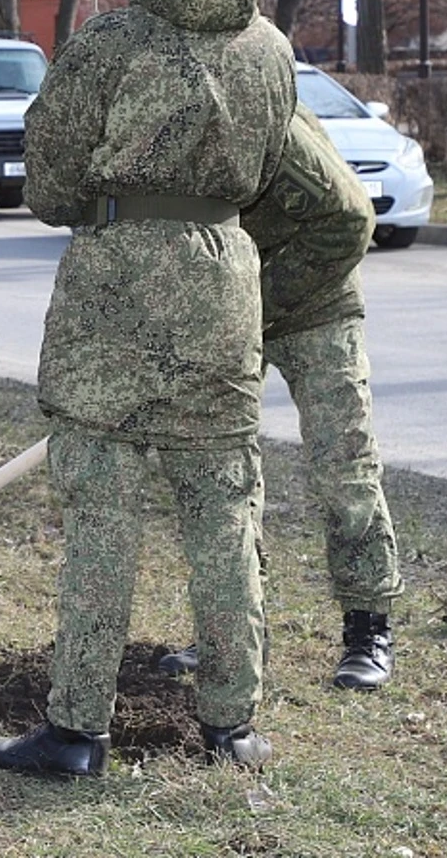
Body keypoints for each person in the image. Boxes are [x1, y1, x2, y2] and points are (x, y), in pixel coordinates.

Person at [0, 0, 296, 777]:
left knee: (103, 521)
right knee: (225, 515)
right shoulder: (271, 49)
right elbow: (270, 173)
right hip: (224, 287)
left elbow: (50, 186)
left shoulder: (109, 47)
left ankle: (78, 731)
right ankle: (234, 728)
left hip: (113, 294)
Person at [155, 106, 403, 691]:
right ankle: (235, 627)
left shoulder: (265, 126)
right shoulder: (166, 132)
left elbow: (350, 222)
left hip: (318, 301)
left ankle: (368, 626)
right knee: (220, 469)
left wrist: (254, 304)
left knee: (344, 466)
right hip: (234, 310)